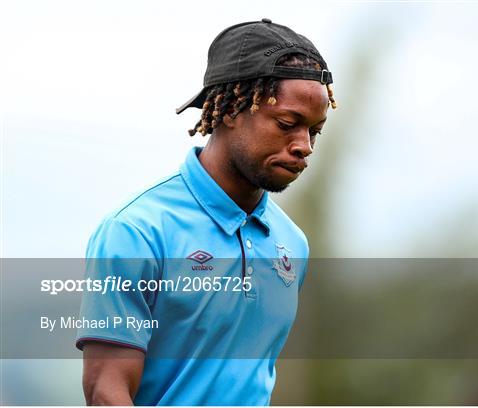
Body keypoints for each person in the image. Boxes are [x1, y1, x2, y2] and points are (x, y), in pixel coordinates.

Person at [76, 18, 336, 406]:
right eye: (287, 124)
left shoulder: (291, 244)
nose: (304, 146)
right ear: (231, 110)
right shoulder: (136, 231)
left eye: (314, 131)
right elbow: (105, 391)